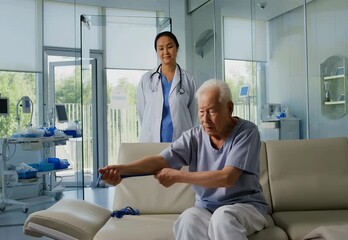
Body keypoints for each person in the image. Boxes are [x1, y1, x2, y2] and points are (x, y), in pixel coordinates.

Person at [100, 79, 268, 240]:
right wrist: (121, 170)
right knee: (187, 219)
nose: (205, 119)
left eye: (212, 111)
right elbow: (161, 161)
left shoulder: (247, 132)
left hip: (245, 207)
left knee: (223, 219)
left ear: (229, 108)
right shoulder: (194, 136)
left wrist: (178, 177)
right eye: (201, 112)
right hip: (206, 208)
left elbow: (227, 178)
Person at [137, 31, 198, 142]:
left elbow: (193, 114)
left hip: (181, 140)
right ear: (157, 51)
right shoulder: (146, 79)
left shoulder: (188, 80)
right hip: (151, 141)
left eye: (170, 47)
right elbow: (142, 113)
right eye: (161, 48)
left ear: (177, 48)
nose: (165, 52)